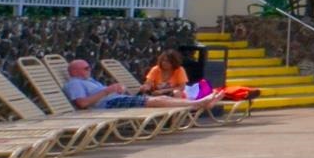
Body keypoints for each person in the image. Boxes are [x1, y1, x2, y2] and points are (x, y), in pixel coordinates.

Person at [63, 58, 219, 112]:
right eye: (85, 68)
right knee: (155, 101)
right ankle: (198, 103)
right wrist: (107, 91)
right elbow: (82, 103)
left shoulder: (87, 81)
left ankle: (197, 103)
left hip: (116, 99)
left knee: (162, 97)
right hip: (110, 104)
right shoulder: (75, 83)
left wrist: (116, 89)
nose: (89, 69)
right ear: (75, 71)